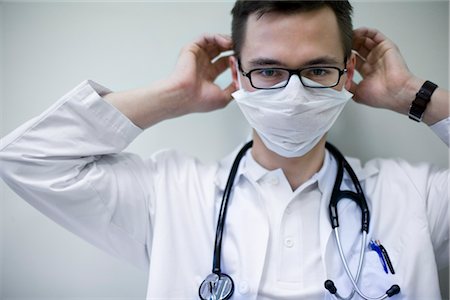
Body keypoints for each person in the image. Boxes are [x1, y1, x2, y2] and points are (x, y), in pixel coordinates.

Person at [0, 1, 448, 299]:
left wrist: (414, 95)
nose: (294, 93)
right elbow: (26, 158)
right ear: (236, 74)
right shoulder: (169, 194)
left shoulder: (414, 195)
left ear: (348, 72)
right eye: (268, 71)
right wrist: (172, 95)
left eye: (317, 69)